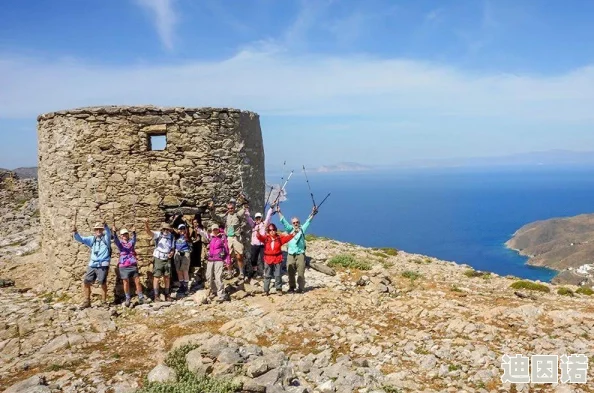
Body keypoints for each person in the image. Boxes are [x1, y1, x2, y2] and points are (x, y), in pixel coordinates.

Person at [277, 206, 318, 293]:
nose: (295, 224)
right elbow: (283, 221)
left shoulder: (302, 229)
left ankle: (301, 288)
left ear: (299, 223)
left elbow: (308, 221)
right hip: (291, 254)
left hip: (300, 254)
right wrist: (279, 212)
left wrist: (313, 213)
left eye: (297, 222)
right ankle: (292, 287)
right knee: (290, 270)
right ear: (292, 224)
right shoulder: (290, 229)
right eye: (294, 222)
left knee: (301, 272)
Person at [73, 220, 112, 308]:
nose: (98, 231)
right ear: (94, 230)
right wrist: (75, 232)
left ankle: (104, 301)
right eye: (96, 229)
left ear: (102, 230)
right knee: (86, 281)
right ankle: (87, 300)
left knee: (102, 282)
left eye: (100, 229)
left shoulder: (106, 238)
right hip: (93, 264)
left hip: (103, 264)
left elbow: (109, 233)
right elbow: (80, 239)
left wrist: (105, 225)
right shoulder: (92, 239)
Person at [209, 198, 247, 279]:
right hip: (228, 238)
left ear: (234, 208)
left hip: (237, 237)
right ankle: (229, 272)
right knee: (228, 256)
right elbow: (215, 217)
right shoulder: (225, 217)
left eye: (231, 208)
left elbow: (245, 208)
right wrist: (212, 209)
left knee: (239, 256)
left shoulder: (238, 215)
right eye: (229, 208)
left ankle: (241, 273)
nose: (230, 210)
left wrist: (244, 201)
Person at [256, 223, 298, 296]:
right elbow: (259, 237)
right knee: (267, 275)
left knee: (278, 275)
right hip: (268, 258)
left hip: (277, 258)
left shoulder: (279, 238)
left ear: (275, 230)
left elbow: (287, 238)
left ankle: (278, 289)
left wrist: (294, 233)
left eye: (273, 229)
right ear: (268, 231)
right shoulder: (266, 238)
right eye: (270, 230)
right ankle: (266, 290)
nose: (272, 231)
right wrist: (257, 232)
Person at [112, 225, 145, 307]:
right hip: (123, 265)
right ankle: (127, 298)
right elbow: (115, 240)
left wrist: (134, 232)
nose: (124, 236)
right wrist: (114, 232)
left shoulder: (131, 243)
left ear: (127, 235)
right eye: (123, 234)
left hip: (132, 264)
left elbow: (134, 239)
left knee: (137, 281)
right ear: (121, 236)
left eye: (126, 234)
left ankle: (141, 297)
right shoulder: (120, 244)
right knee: (125, 282)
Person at [145, 219, 175, 302]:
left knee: (167, 277)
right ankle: (156, 296)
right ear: (162, 229)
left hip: (167, 258)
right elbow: (149, 232)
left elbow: (172, 248)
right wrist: (146, 224)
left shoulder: (171, 237)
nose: (166, 230)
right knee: (156, 277)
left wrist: (172, 253)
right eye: (164, 229)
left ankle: (167, 294)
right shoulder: (158, 234)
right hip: (158, 258)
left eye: (167, 229)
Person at [201, 224, 229, 303]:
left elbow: (226, 249)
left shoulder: (222, 237)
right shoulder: (210, 237)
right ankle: (214, 290)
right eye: (214, 229)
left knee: (218, 277)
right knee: (208, 276)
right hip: (210, 259)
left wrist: (226, 260)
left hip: (219, 260)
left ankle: (221, 295)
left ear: (218, 229)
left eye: (216, 229)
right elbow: (202, 233)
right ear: (212, 230)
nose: (215, 231)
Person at [245, 206, 274, 278]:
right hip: (254, 245)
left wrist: (271, 208)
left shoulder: (264, 224)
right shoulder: (253, 224)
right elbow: (248, 217)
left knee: (263, 259)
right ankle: (255, 270)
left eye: (259, 218)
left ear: (261, 218)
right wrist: (246, 209)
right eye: (256, 218)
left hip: (262, 245)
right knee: (253, 259)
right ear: (255, 218)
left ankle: (265, 272)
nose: (258, 219)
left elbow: (268, 216)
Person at [174, 223, 192, 295]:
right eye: (180, 229)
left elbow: (191, 246)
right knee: (179, 271)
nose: (182, 230)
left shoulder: (187, 237)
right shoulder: (176, 238)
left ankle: (186, 287)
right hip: (177, 253)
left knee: (185, 270)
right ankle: (181, 286)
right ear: (178, 230)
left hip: (185, 253)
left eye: (183, 228)